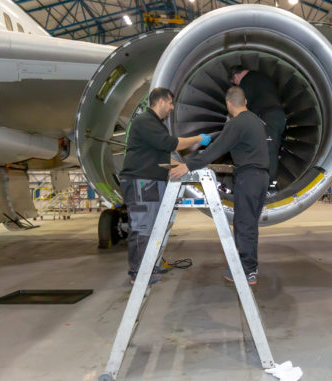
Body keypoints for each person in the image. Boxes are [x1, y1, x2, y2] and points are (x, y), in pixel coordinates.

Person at [169, 86, 268, 285]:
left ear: (229, 104)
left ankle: (247, 271)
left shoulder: (236, 123)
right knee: (250, 224)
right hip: (262, 177)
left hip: (248, 177)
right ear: (245, 102)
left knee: (243, 224)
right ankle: (251, 266)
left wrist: (187, 165)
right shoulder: (256, 121)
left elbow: (215, 150)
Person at [120, 87, 211, 285]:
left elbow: (162, 153)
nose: (171, 108)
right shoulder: (145, 121)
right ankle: (138, 272)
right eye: (170, 103)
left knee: (154, 226)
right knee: (142, 226)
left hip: (152, 181)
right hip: (141, 181)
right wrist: (198, 139)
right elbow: (171, 144)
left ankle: (149, 266)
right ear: (160, 102)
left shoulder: (155, 124)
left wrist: (185, 166)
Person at [230, 65, 286, 189]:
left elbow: (241, 107)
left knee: (268, 151)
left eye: (236, 83)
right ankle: (268, 184)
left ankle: (267, 186)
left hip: (267, 118)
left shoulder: (246, 81)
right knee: (271, 149)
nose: (237, 85)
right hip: (279, 117)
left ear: (237, 76)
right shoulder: (262, 77)